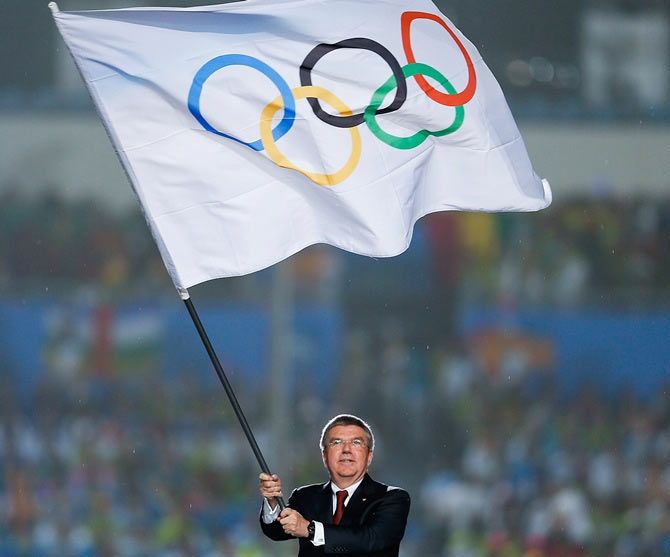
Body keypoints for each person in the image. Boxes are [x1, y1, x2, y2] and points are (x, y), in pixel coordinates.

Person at [259, 414, 410, 556]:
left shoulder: (393, 498)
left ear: (369, 456)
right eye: (336, 442)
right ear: (324, 456)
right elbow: (275, 531)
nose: (346, 450)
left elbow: (371, 540)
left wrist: (310, 529)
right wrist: (272, 501)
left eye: (356, 442)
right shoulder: (305, 496)